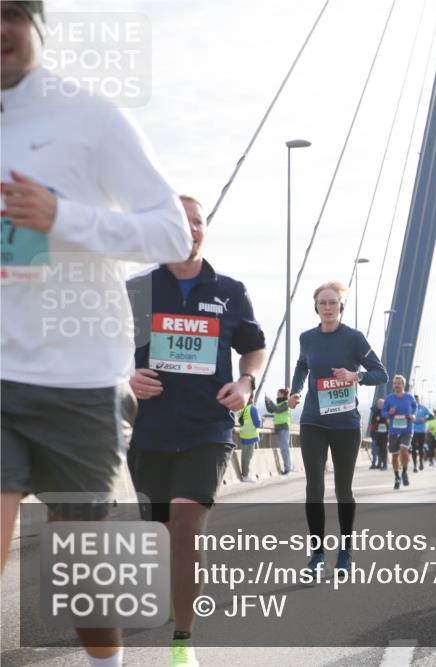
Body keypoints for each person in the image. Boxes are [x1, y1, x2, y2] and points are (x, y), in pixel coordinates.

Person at [1, 3, 192, 665]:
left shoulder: (90, 117)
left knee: (78, 566)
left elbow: (171, 233)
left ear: (37, 23)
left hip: (76, 383)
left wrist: (63, 217)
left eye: (8, 13)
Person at [126, 195, 264, 667]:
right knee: (163, 535)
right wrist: (125, 376)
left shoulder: (230, 290)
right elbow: (103, 348)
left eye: (197, 222)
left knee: (187, 527)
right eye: (177, 223)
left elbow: (253, 349)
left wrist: (246, 382)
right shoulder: (137, 290)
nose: (190, 230)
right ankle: (172, 587)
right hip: (149, 431)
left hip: (208, 426)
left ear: (206, 229)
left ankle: (182, 643)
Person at [289, 281, 387, 580]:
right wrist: (294, 391)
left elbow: (380, 372)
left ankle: (345, 551)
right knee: (314, 488)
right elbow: (302, 366)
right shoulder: (307, 338)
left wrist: (354, 376)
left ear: (340, 308)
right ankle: (317, 555)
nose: (328, 308)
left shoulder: (354, 339)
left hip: (345, 424)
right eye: (323, 303)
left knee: (343, 490)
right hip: (313, 421)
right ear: (316, 308)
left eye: (333, 303)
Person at [382, 375, 417, 490]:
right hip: (393, 430)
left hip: (407, 429)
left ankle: (404, 472)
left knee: (404, 449)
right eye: (395, 383)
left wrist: (412, 415)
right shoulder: (389, 399)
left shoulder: (409, 397)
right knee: (394, 456)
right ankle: (397, 476)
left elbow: (415, 408)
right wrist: (389, 413)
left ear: (403, 385)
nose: (396, 385)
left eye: (399, 383)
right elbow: (383, 413)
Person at [265, 388, 293, 474]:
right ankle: (287, 467)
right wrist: (267, 402)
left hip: (284, 428)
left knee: (285, 449)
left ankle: (288, 468)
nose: (277, 394)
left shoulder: (286, 403)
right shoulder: (279, 403)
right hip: (278, 428)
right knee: (282, 449)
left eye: (278, 393)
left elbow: (277, 410)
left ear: (283, 394)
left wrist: (271, 401)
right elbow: (270, 410)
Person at [236, 402, 261, 482]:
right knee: (248, 457)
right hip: (251, 435)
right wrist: (262, 420)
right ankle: (246, 476)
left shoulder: (242, 409)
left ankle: (245, 474)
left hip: (244, 435)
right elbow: (257, 424)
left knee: (244, 456)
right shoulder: (252, 409)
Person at [411, 396, 433, 472]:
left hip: (422, 431)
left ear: (419, 400)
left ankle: (421, 462)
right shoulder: (410, 407)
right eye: (414, 400)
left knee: (420, 448)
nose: (415, 401)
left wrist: (425, 419)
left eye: (417, 400)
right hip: (413, 431)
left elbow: (432, 416)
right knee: (413, 448)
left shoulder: (424, 408)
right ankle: (414, 466)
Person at [368, 398, 389, 470]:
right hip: (377, 433)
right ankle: (379, 464)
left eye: (381, 403)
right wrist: (376, 421)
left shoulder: (386, 411)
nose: (380, 405)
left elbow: (388, 421)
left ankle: (385, 464)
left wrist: (381, 420)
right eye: (379, 403)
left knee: (384, 448)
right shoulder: (376, 412)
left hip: (385, 434)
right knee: (378, 449)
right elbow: (373, 422)